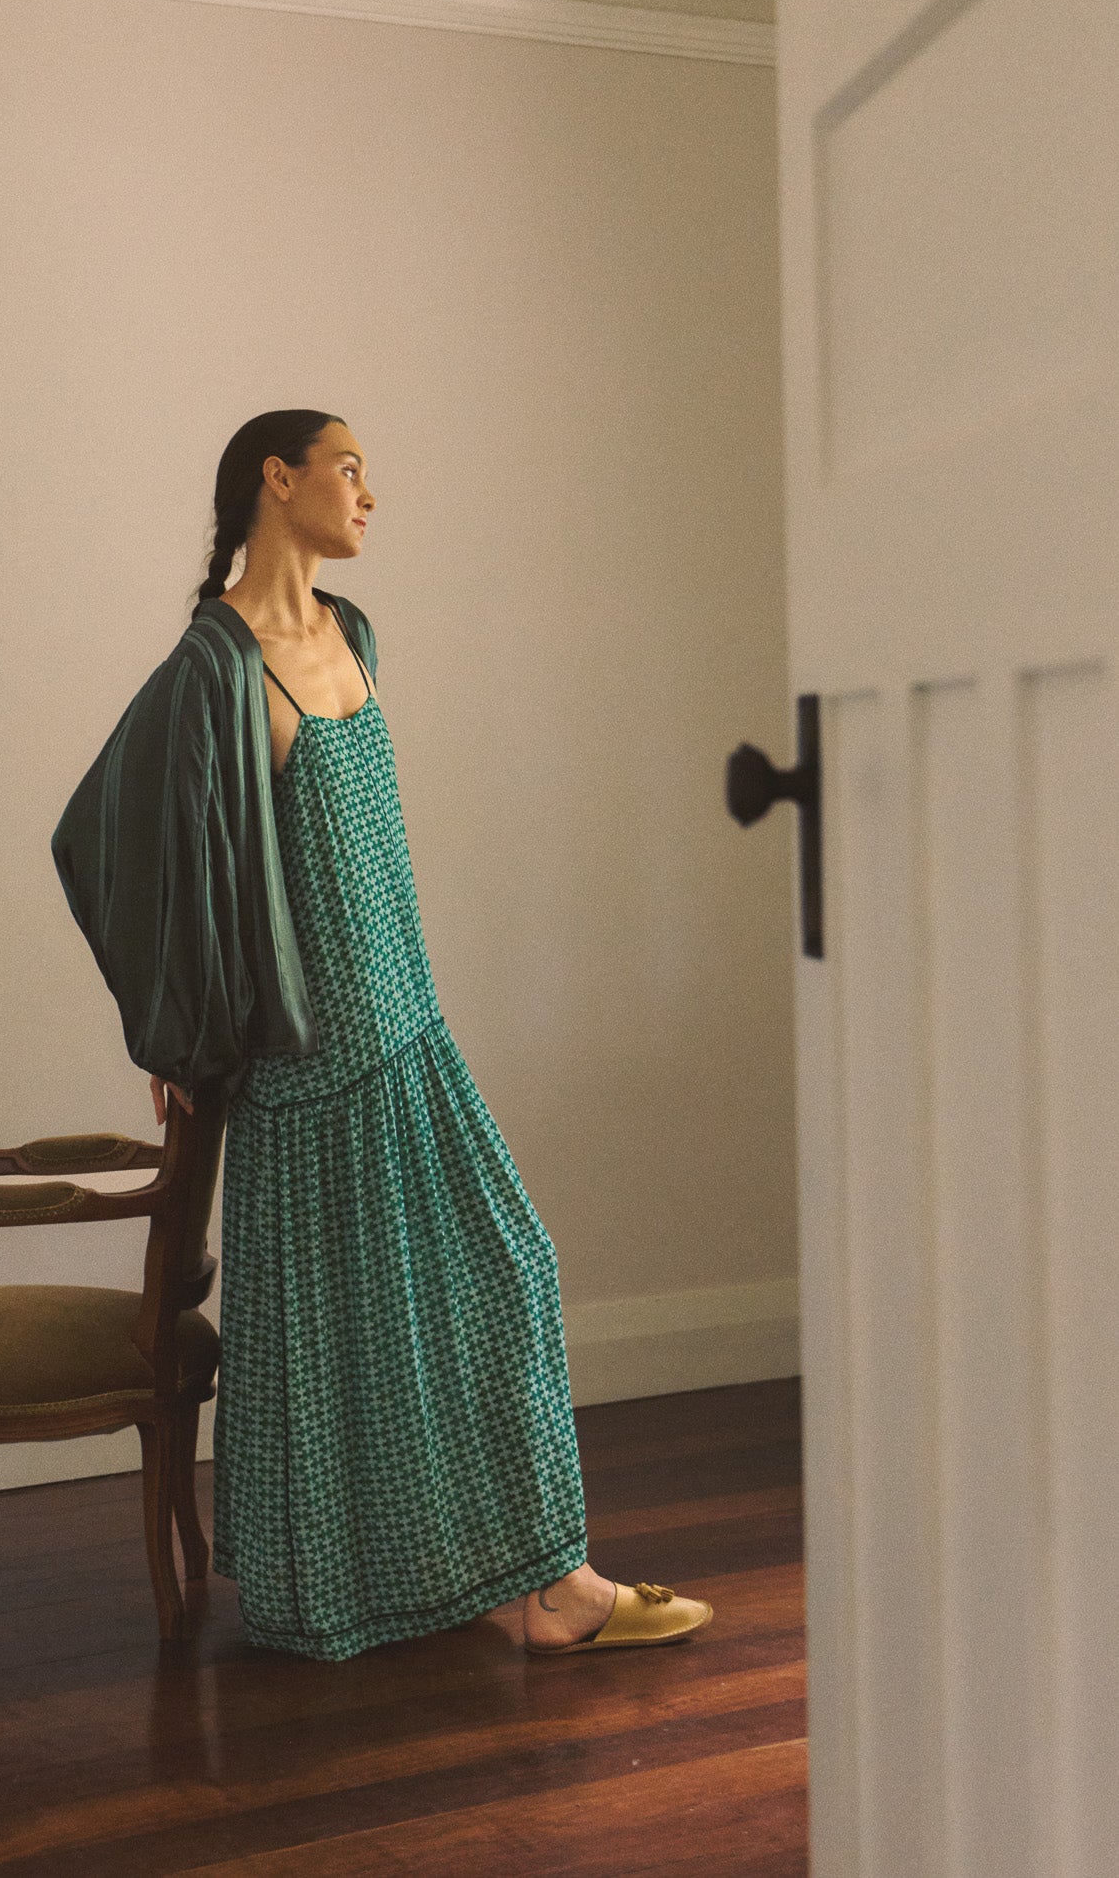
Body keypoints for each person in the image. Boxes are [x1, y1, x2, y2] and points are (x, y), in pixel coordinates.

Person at [52, 409, 711, 1662]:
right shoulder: (213, 665)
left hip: (406, 1015)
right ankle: (517, 1591)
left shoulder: (351, 633)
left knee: (496, 1273)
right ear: (277, 477)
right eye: (350, 468)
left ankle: (520, 1575)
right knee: (355, 1326)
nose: (371, 493)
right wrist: (175, 1030)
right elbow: (112, 838)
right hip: (316, 1052)